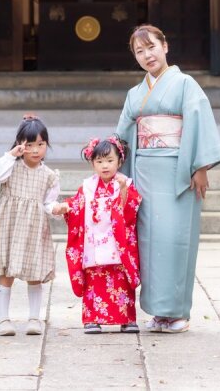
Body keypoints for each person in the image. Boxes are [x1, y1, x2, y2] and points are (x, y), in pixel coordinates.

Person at [115, 25, 220, 334]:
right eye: (139, 51)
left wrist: (200, 166)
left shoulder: (185, 84)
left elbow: (198, 121)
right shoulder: (135, 94)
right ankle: (157, 311)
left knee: (176, 241)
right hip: (143, 173)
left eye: (151, 47)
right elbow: (122, 135)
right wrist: (110, 161)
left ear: (165, 46)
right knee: (149, 245)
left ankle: (176, 311)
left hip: (178, 171)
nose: (147, 55)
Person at [0, 116, 61, 336]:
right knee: (6, 271)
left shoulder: (50, 176)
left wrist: (57, 209)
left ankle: (34, 318)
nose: (35, 150)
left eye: (40, 144)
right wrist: (11, 155)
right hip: (10, 227)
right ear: (20, 144)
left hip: (34, 229)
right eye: (29, 144)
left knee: (35, 272)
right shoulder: (11, 166)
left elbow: (48, 203)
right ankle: (3, 319)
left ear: (47, 145)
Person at [51, 136, 141, 334]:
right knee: (95, 280)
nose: (105, 166)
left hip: (117, 242)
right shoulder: (88, 186)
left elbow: (129, 210)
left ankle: (127, 318)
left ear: (120, 161)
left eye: (110, 160)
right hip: (93, 243)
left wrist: (124, 189)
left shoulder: (125, 183)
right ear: (92, 163)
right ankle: (92, 318)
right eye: (99, 161)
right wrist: (64, 207)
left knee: (121, 279)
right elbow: (76, 204)